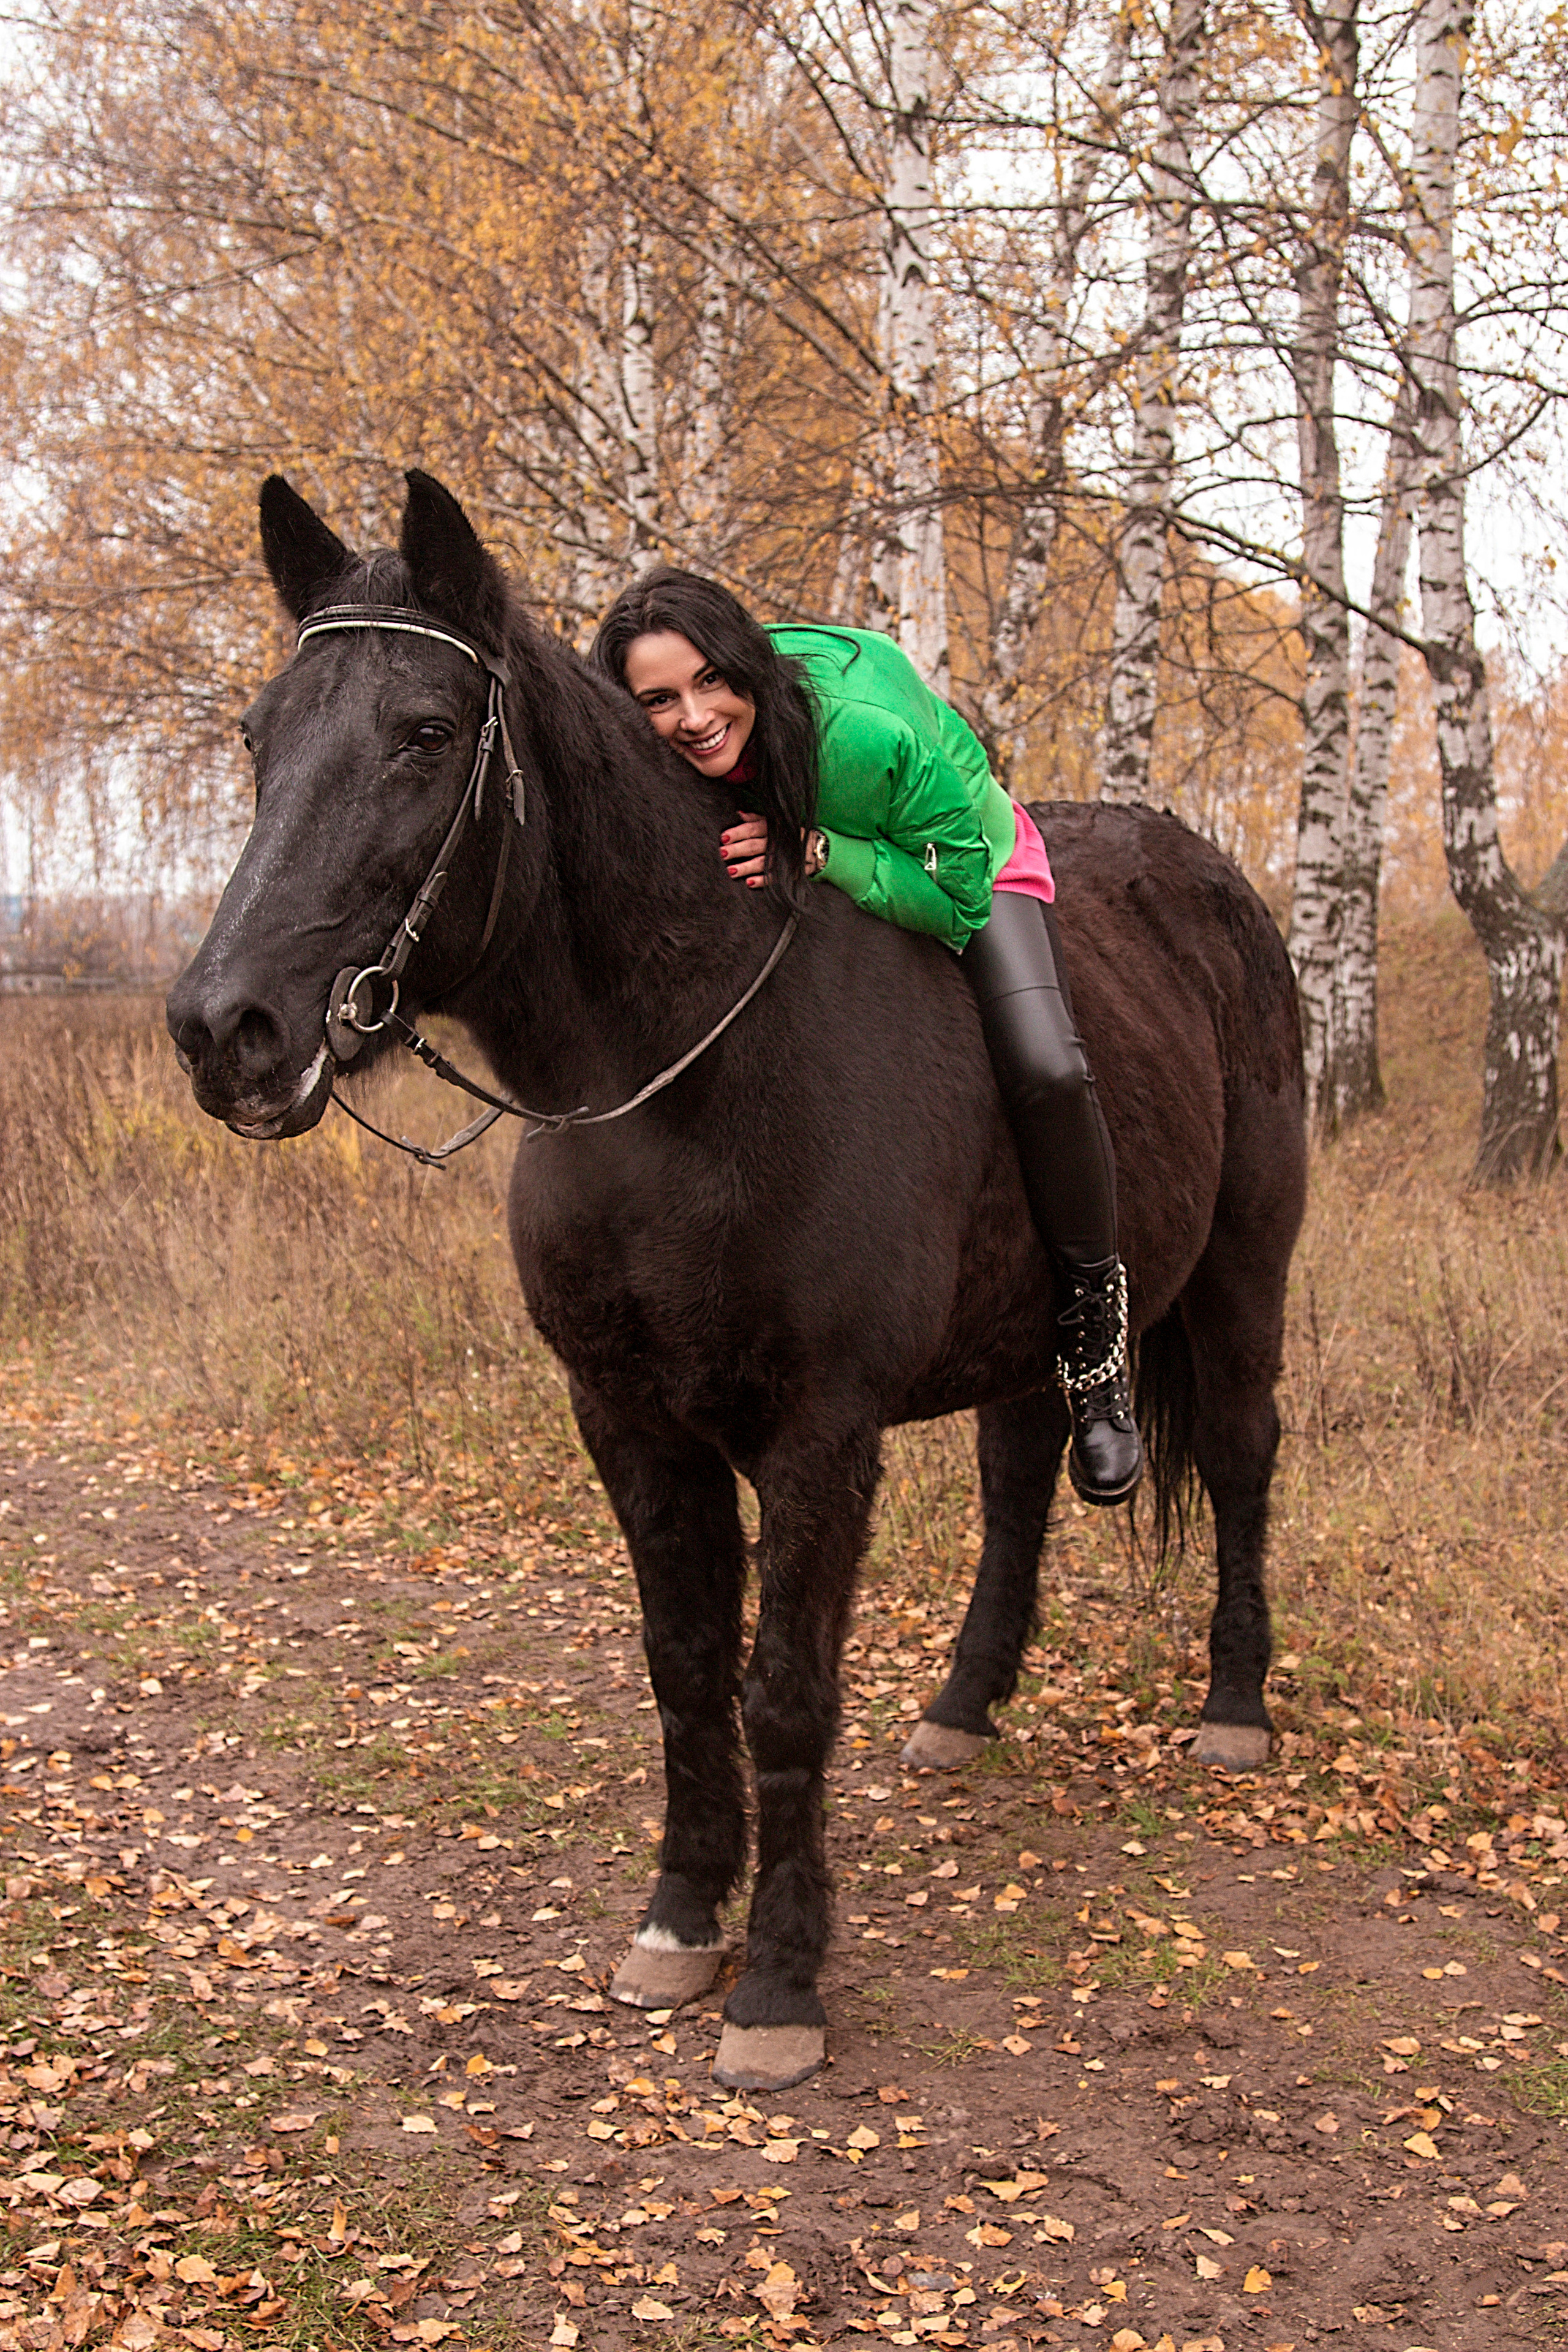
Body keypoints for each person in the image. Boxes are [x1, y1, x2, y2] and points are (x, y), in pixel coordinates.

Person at [590, 570, 1141, 1506]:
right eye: (658, 700)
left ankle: (1096, 1337)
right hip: (823, 833)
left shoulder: (857, 739)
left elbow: (958, 891)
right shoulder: (659, 751)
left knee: (1047, 1068)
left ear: (747, 668)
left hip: (958, 853)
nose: (692, 717)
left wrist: (819, 853)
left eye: (710, 682)